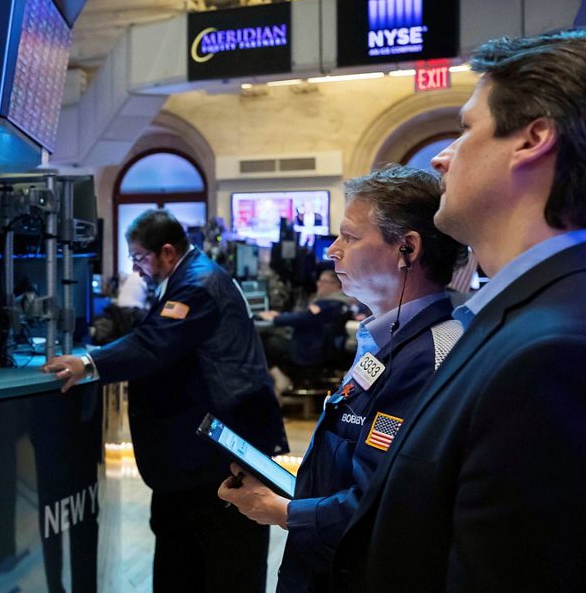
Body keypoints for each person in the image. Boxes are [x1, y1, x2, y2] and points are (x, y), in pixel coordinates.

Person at [332, 31, 586, 592]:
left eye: (467, 129)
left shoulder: (552, 350)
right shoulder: (515, 316)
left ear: (533, 138)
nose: (443, 157)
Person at [220, 166, 465, 592]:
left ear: (406, 248)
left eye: (349, 237)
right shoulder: (387, 337)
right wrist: (294, 493)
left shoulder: (429, 357)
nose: (333, 251)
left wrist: (281, 511)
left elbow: (383, 503)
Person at [46, 208, 287, 593]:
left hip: (218, 451)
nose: (137, 268)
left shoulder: (197, 284)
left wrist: (88, 363)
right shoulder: (189, 277)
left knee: (227, 563)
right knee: (182, 554)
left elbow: (155, 344)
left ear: (168, 252)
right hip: (197, 454)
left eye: (140, 258)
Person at [259, 268, 349, 373]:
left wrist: (275, 318)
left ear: (336, 285)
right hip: (316, 347)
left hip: (307, 351)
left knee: (263, 339)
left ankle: (279, 377)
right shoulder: (340, 303)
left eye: (323, 281)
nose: (318, 284)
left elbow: (304, 318)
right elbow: (305, 316)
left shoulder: (330, 304)